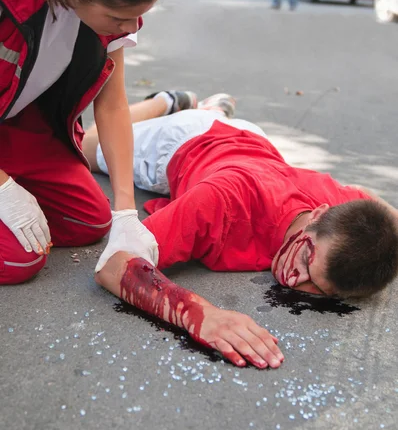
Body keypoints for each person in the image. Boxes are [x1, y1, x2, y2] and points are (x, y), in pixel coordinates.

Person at [84, 93, 398, 368]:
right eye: (305, 260)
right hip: (182, 141)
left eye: (316, 286)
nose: (292, 280)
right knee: (88, 144)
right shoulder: (224, 201)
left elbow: (375, 205)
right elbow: (114, 264)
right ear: (318, 214)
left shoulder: (346, 212)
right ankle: (168, 101)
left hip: (251, 139)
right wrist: (201, 315)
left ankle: (212, 109)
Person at [0, 0, 178, 286]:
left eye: (138, 16)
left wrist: (126, 213)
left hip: (13, 123)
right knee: (18, 260)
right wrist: (3, 187)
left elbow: (112, 107)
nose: (132, 29)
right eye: (119, 18)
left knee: (88, 220)